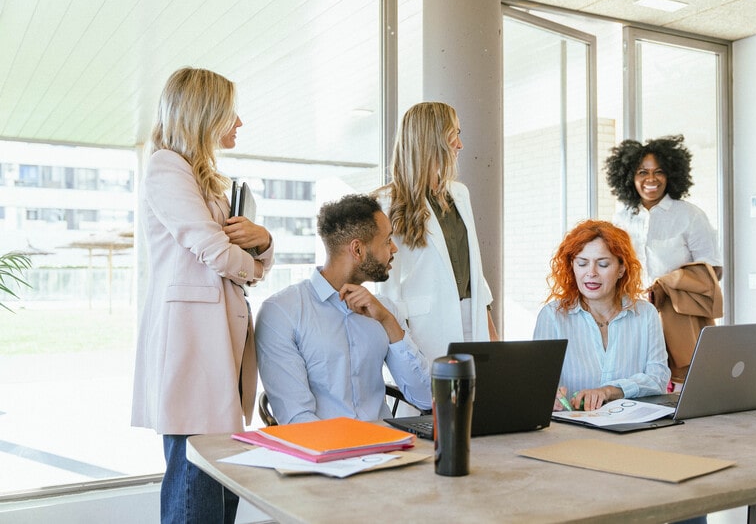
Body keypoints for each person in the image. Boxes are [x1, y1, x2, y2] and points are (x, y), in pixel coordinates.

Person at [131, 67, 274, 524]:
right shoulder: (166, 167)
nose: (239, 122)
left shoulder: (208, 179)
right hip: (193, 347)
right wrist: (253, 263)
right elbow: (212, 249)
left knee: (220, 485)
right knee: (196, 490)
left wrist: (264, 239)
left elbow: (243, 254)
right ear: (204, 113)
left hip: (219, 346)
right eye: (231, 111)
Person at [255, 194, 432, 424]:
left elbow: (426, 398)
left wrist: (387, 321)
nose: (394, 248)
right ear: (357, 250)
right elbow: (298, 420)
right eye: (387, 240)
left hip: (387, 449)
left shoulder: (384, 310)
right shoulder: (281, 312)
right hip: (325, 453)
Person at [373, 101, 498, 367]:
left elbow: (473, 271)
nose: (460, 145)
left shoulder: (459, 194)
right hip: (424, 329)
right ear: (433, 139)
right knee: (434, 405)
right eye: (455, 135)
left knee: (479, 402)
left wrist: (493, 336)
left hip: (472, 321)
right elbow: (386, 286)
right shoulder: (386, 202)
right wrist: (401, 344)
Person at [604, 135, 723, 386]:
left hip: (681, 316)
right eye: (642, 172)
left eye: (659, 171)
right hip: (634, 313)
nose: (651, 179)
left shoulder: (689, 215)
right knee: (641, 381)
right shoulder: (620, 219)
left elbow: (713, 270)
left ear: (670, 174)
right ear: (629, 177)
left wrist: (667, 284)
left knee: (688, 384)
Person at [533, 219, 670, 411]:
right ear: (572, 266)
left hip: (632, 429)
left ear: (621, 269)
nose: (591, 273)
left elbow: (658, 378)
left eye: (603, 264)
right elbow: (537, 383)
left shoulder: (645, 314)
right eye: (582, 263)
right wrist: (547, 394)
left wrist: (608, 391)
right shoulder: (552, 316)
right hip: (571, 429)